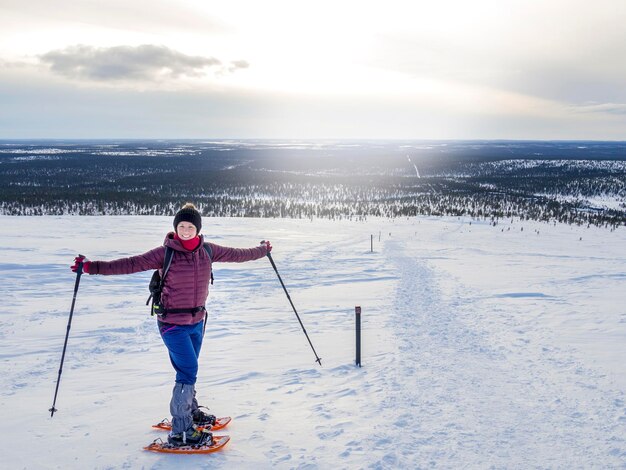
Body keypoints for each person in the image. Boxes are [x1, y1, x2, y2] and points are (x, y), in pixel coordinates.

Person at [70, 203, 271, 447]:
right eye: (181, 226)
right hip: (172, 323)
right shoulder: (165, 253)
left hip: (197, 322)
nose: (185, 231)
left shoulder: (208, 250)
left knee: (190, 369)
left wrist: (262, 250)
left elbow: (239, 254)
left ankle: (191, 412)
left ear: (198, 229)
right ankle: (181, 430)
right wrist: (93, 267)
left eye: (190, 226)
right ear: (175, 228)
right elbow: (130, 264)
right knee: (187, 372)